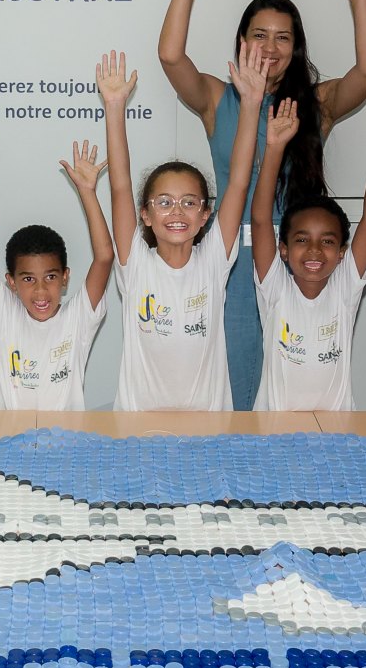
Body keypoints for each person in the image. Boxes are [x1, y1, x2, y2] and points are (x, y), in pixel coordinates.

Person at [158, 0, 366, 409]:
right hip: (229, 261)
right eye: (259, 34)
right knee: (236, 389)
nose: (270, 47)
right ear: (241, 40)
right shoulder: (219, 99)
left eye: (283, 38)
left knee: (295, 393)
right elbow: (171, 55)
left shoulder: (317, 103)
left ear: (297, 47)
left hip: (300, 258)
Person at [113, 43, 266, 413]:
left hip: (208, 433)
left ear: (205, 215)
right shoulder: (136, 263)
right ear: (145, 215)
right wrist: (115, 109)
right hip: (138, 432)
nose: (176, 211)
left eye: (188, 202)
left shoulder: (214, 260)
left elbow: (240, 183)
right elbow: (119, 186)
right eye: (164, 202)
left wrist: (250, 105)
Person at [0, 96, 114, 412]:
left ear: (65, 278)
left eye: (50, 277)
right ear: (11, 282)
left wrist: (88, 193)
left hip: (66, 449)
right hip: (8, 446)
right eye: (28, 279)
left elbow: (104, 257)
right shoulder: (4, 314)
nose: (41, 290)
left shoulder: (78, 318)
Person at [250, 87, 366, 413]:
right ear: (282, 250)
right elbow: (260, 220)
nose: (314, 250)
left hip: (336, 436)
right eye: (302, 240)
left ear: (342, 251)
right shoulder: (274, 289)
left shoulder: (345, 288)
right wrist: (273, 149)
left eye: (327, 241)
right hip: (273, 435)